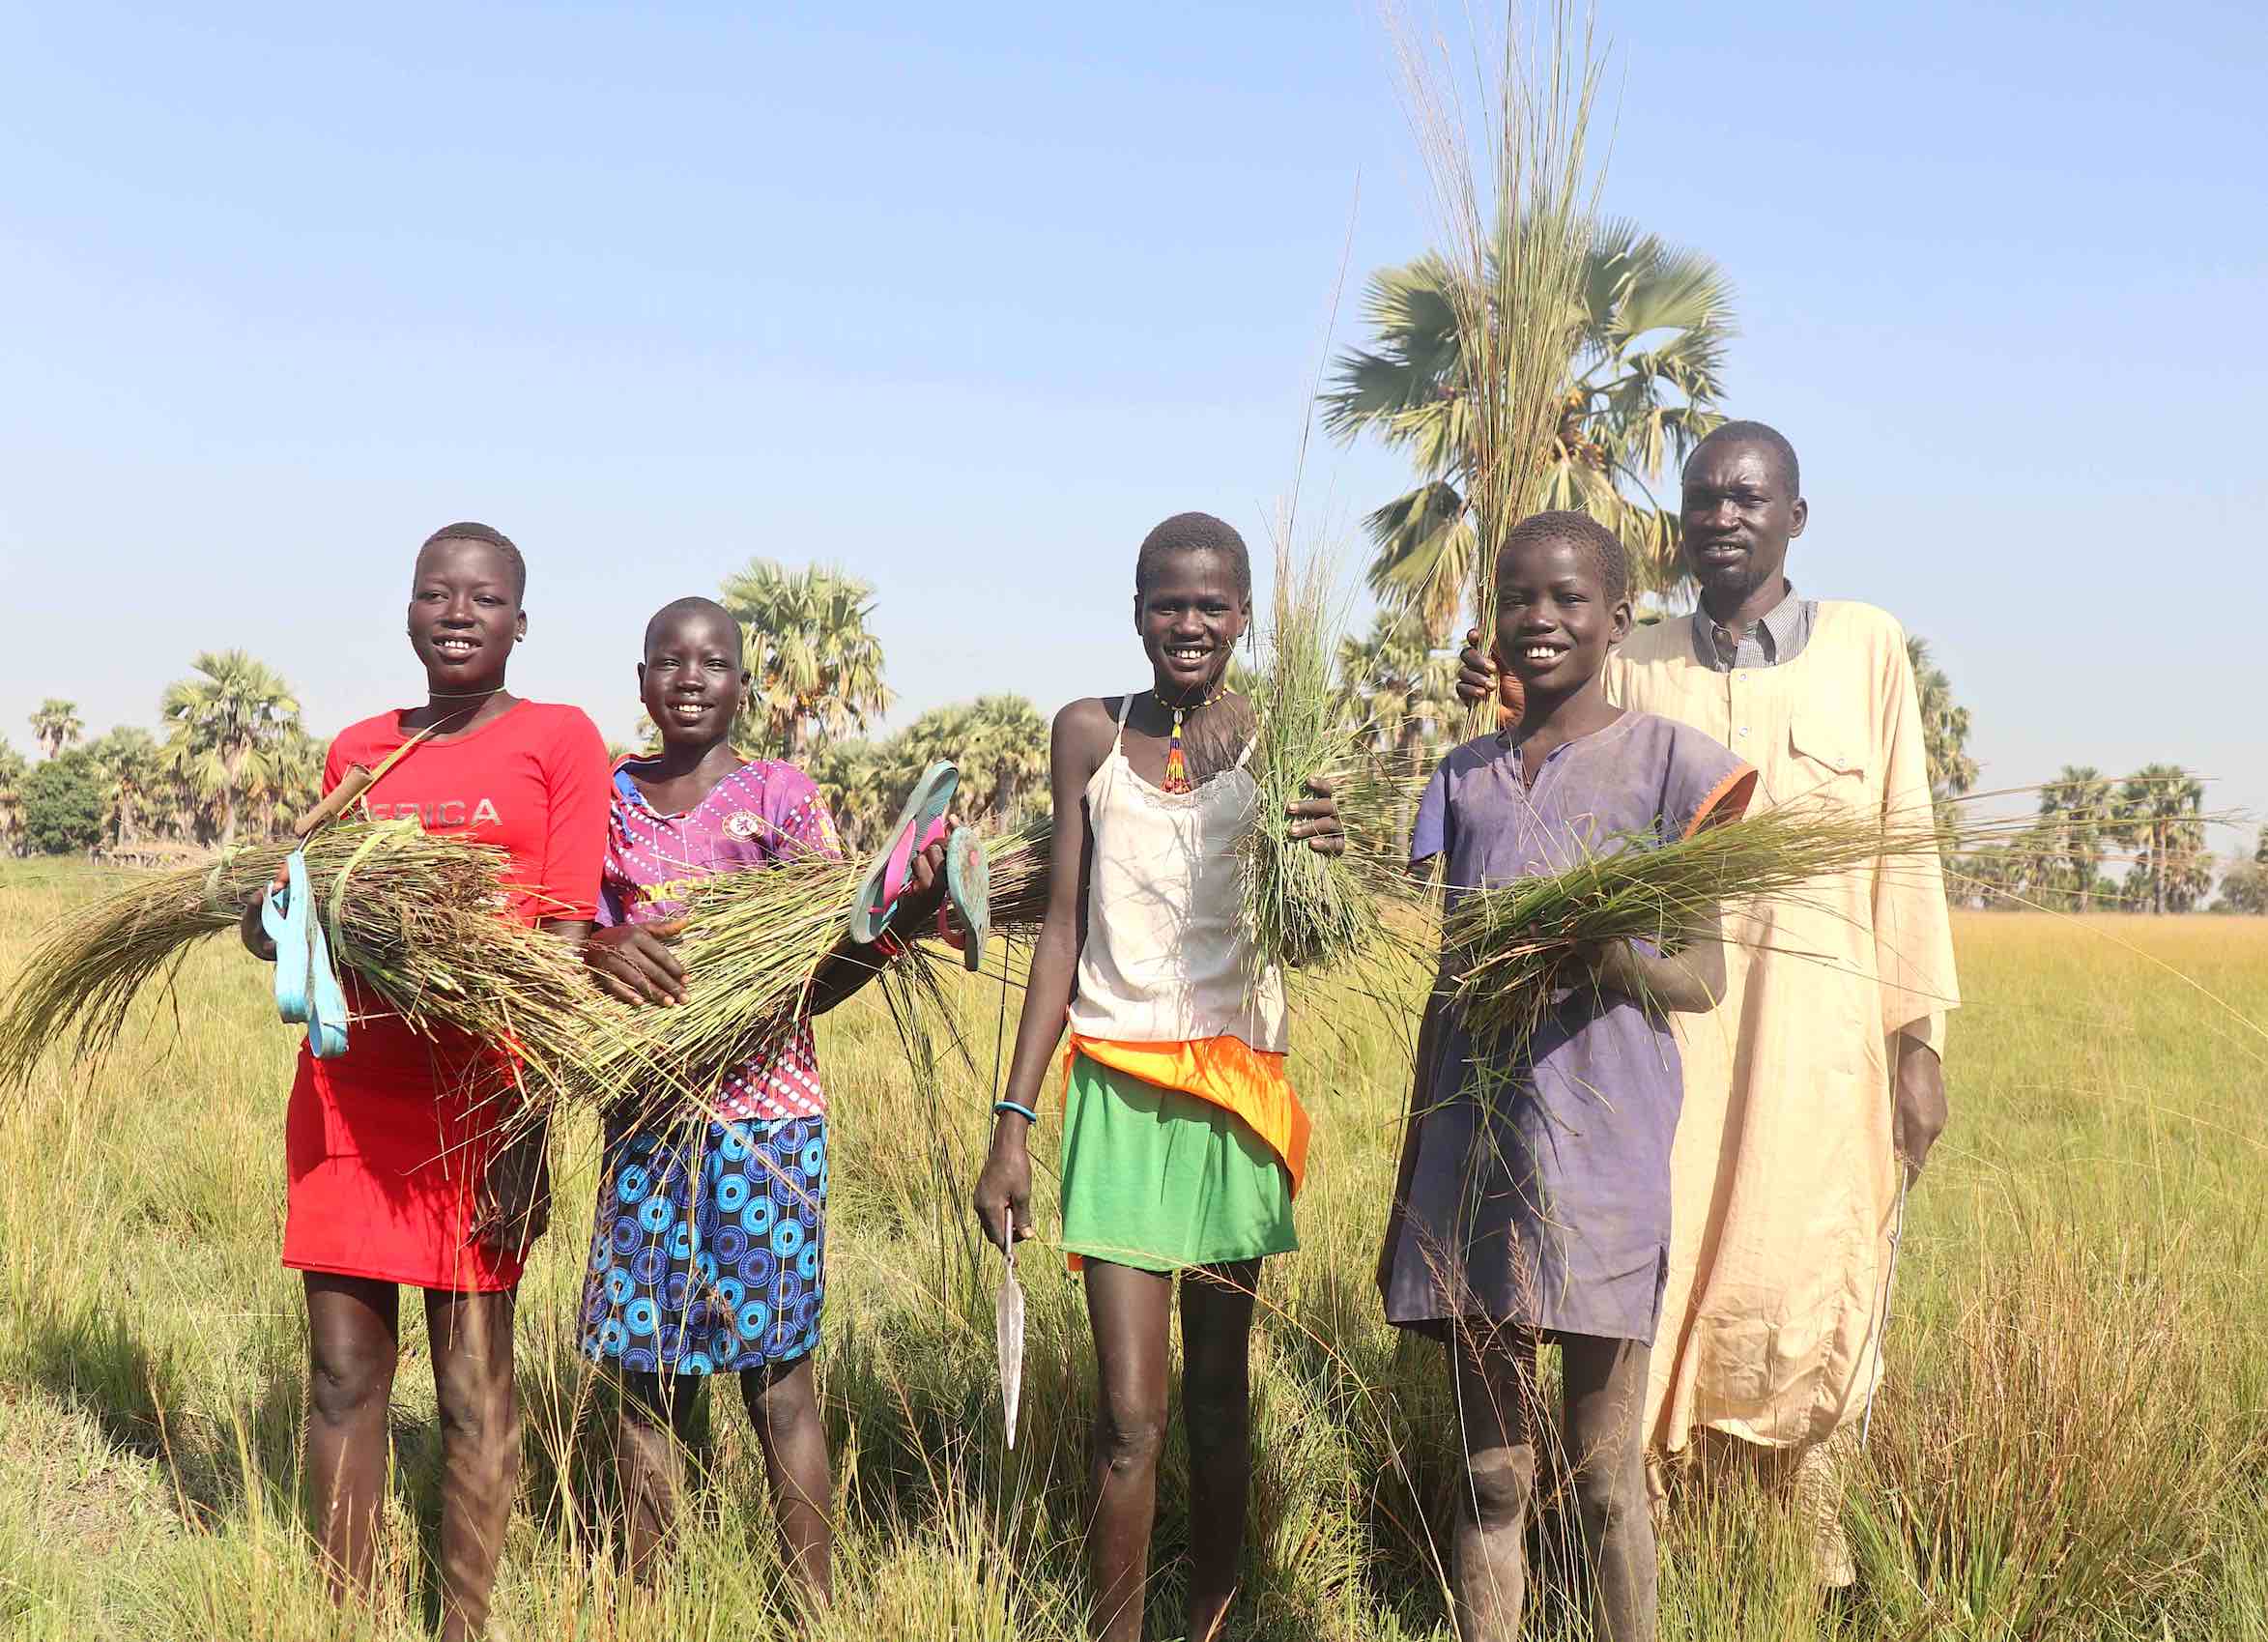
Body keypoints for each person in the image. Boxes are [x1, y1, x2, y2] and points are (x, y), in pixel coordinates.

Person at [1453, 422, 1959, 1582]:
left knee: (1806, 1274)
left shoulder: (1867, 649)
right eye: (1701, 499)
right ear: (1677, 524)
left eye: (1748, 497)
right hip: (1653, 1036)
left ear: (1794, 516)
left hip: (1815, 1041)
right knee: (1655, 1276)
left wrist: (1916, 1042)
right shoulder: (1639, 660)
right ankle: (1645, 1553)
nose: (1723, 516)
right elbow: (1547, 769)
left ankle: (1808, 1563)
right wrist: (1494, 692)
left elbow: (1910, 853)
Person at [1380, 510, 1754, 1642]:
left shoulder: (1668, 766)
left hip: (1602, 1156)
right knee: (1494, 1476)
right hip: (1475, 1154)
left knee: (1600, 1477)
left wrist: (1602, 948)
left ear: (1618, 620)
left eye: (1567, 601)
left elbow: (1700, 976)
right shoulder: (1463, 777)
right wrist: (1412, 1180)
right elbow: (1443, 984)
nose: (1539, 620)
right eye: (1518, 600)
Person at [969, 511, 1342, 1642]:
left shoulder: (1277, 733)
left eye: (1210, 604)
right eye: (1165, 603)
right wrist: (1013, 1121)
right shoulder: (1087, 731)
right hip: (1119, 1095)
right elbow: (1062, 931)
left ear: (1243, 616)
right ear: (1136, 611)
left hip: (1233, 1093)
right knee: (1130, 1414)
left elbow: (1322, 912)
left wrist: (1321, 845)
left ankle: (1213, 1623)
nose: (1188, 623)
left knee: (1219, 1402)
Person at [239, 522, 610, 1639]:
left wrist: (527, 1132)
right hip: (352, 1095)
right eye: (436, 594)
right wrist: (268, 914)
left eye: (484, 598)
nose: (458, 613)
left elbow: (555, 954)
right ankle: (342, 1615)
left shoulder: (560, 739)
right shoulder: (359, 752)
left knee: (469, 1387)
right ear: (406, 611)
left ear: (519, 622)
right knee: (343, 1376)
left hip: (479, 1107)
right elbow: (303, 927)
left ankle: (465, 1622)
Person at [574, 595, 954, 1602]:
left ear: (745, 683)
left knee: (778, 1378)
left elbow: (827, 962)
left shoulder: (782, 796)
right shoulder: (605, 801)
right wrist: (593, 947)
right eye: (667, 660)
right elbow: (567, 943)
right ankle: (646, 1600)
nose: (689, 677)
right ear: (642, 680)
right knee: (646, 1375)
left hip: (765, 1127)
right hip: (646, 1119)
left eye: (712, 662)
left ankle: (808, 1605)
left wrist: (900, 913)